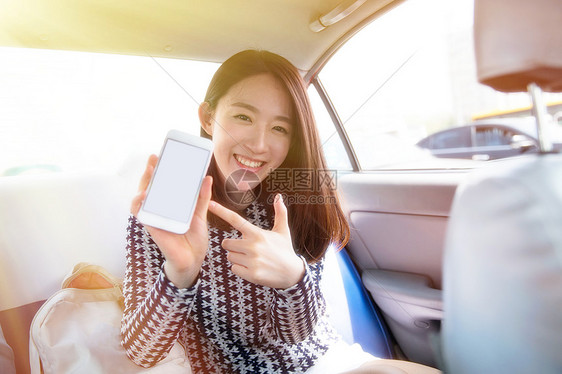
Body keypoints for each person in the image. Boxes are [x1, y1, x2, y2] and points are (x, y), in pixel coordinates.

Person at [121, 49, 440, 374]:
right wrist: (181, 272)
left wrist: (293, 278)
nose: (259, 145)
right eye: (243, 117)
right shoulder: (167, 205)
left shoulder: (297, 198)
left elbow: (297, 334)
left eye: (280, 129)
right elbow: (141, 352)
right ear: (207, 117)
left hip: (323, 360)